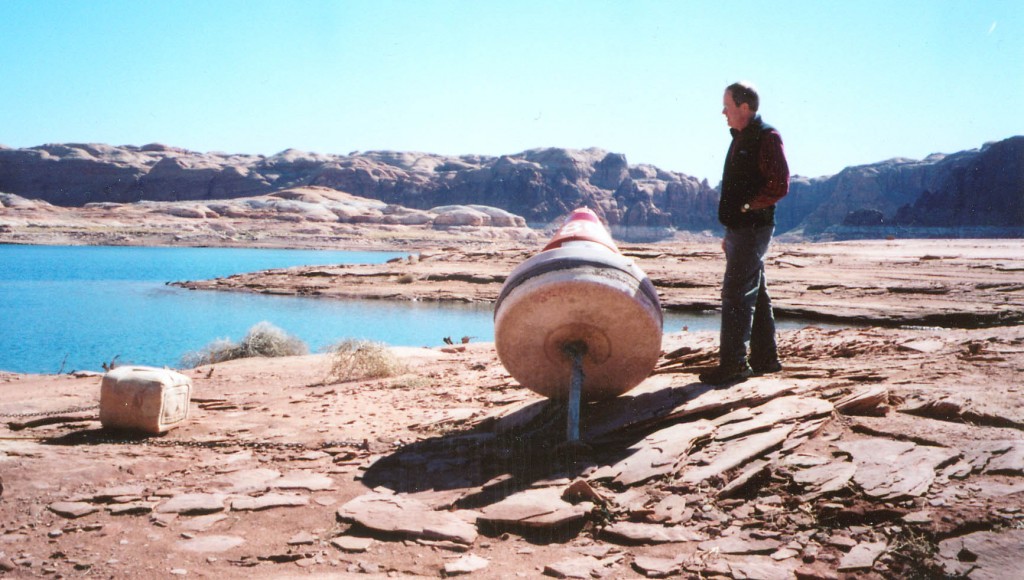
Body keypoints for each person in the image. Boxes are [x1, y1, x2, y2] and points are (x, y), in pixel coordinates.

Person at [699, 81, 789, 386]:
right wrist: (731, 228)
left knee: (736, 294)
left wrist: (749, 207)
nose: (722, 111)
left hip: (752, 227)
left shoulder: (766, 136)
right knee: (755, 292)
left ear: (744, 107)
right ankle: (766, 359)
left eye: (727, 105)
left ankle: (734, 365)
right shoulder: (742, 137)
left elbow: (779, 186)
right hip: (742, 228)